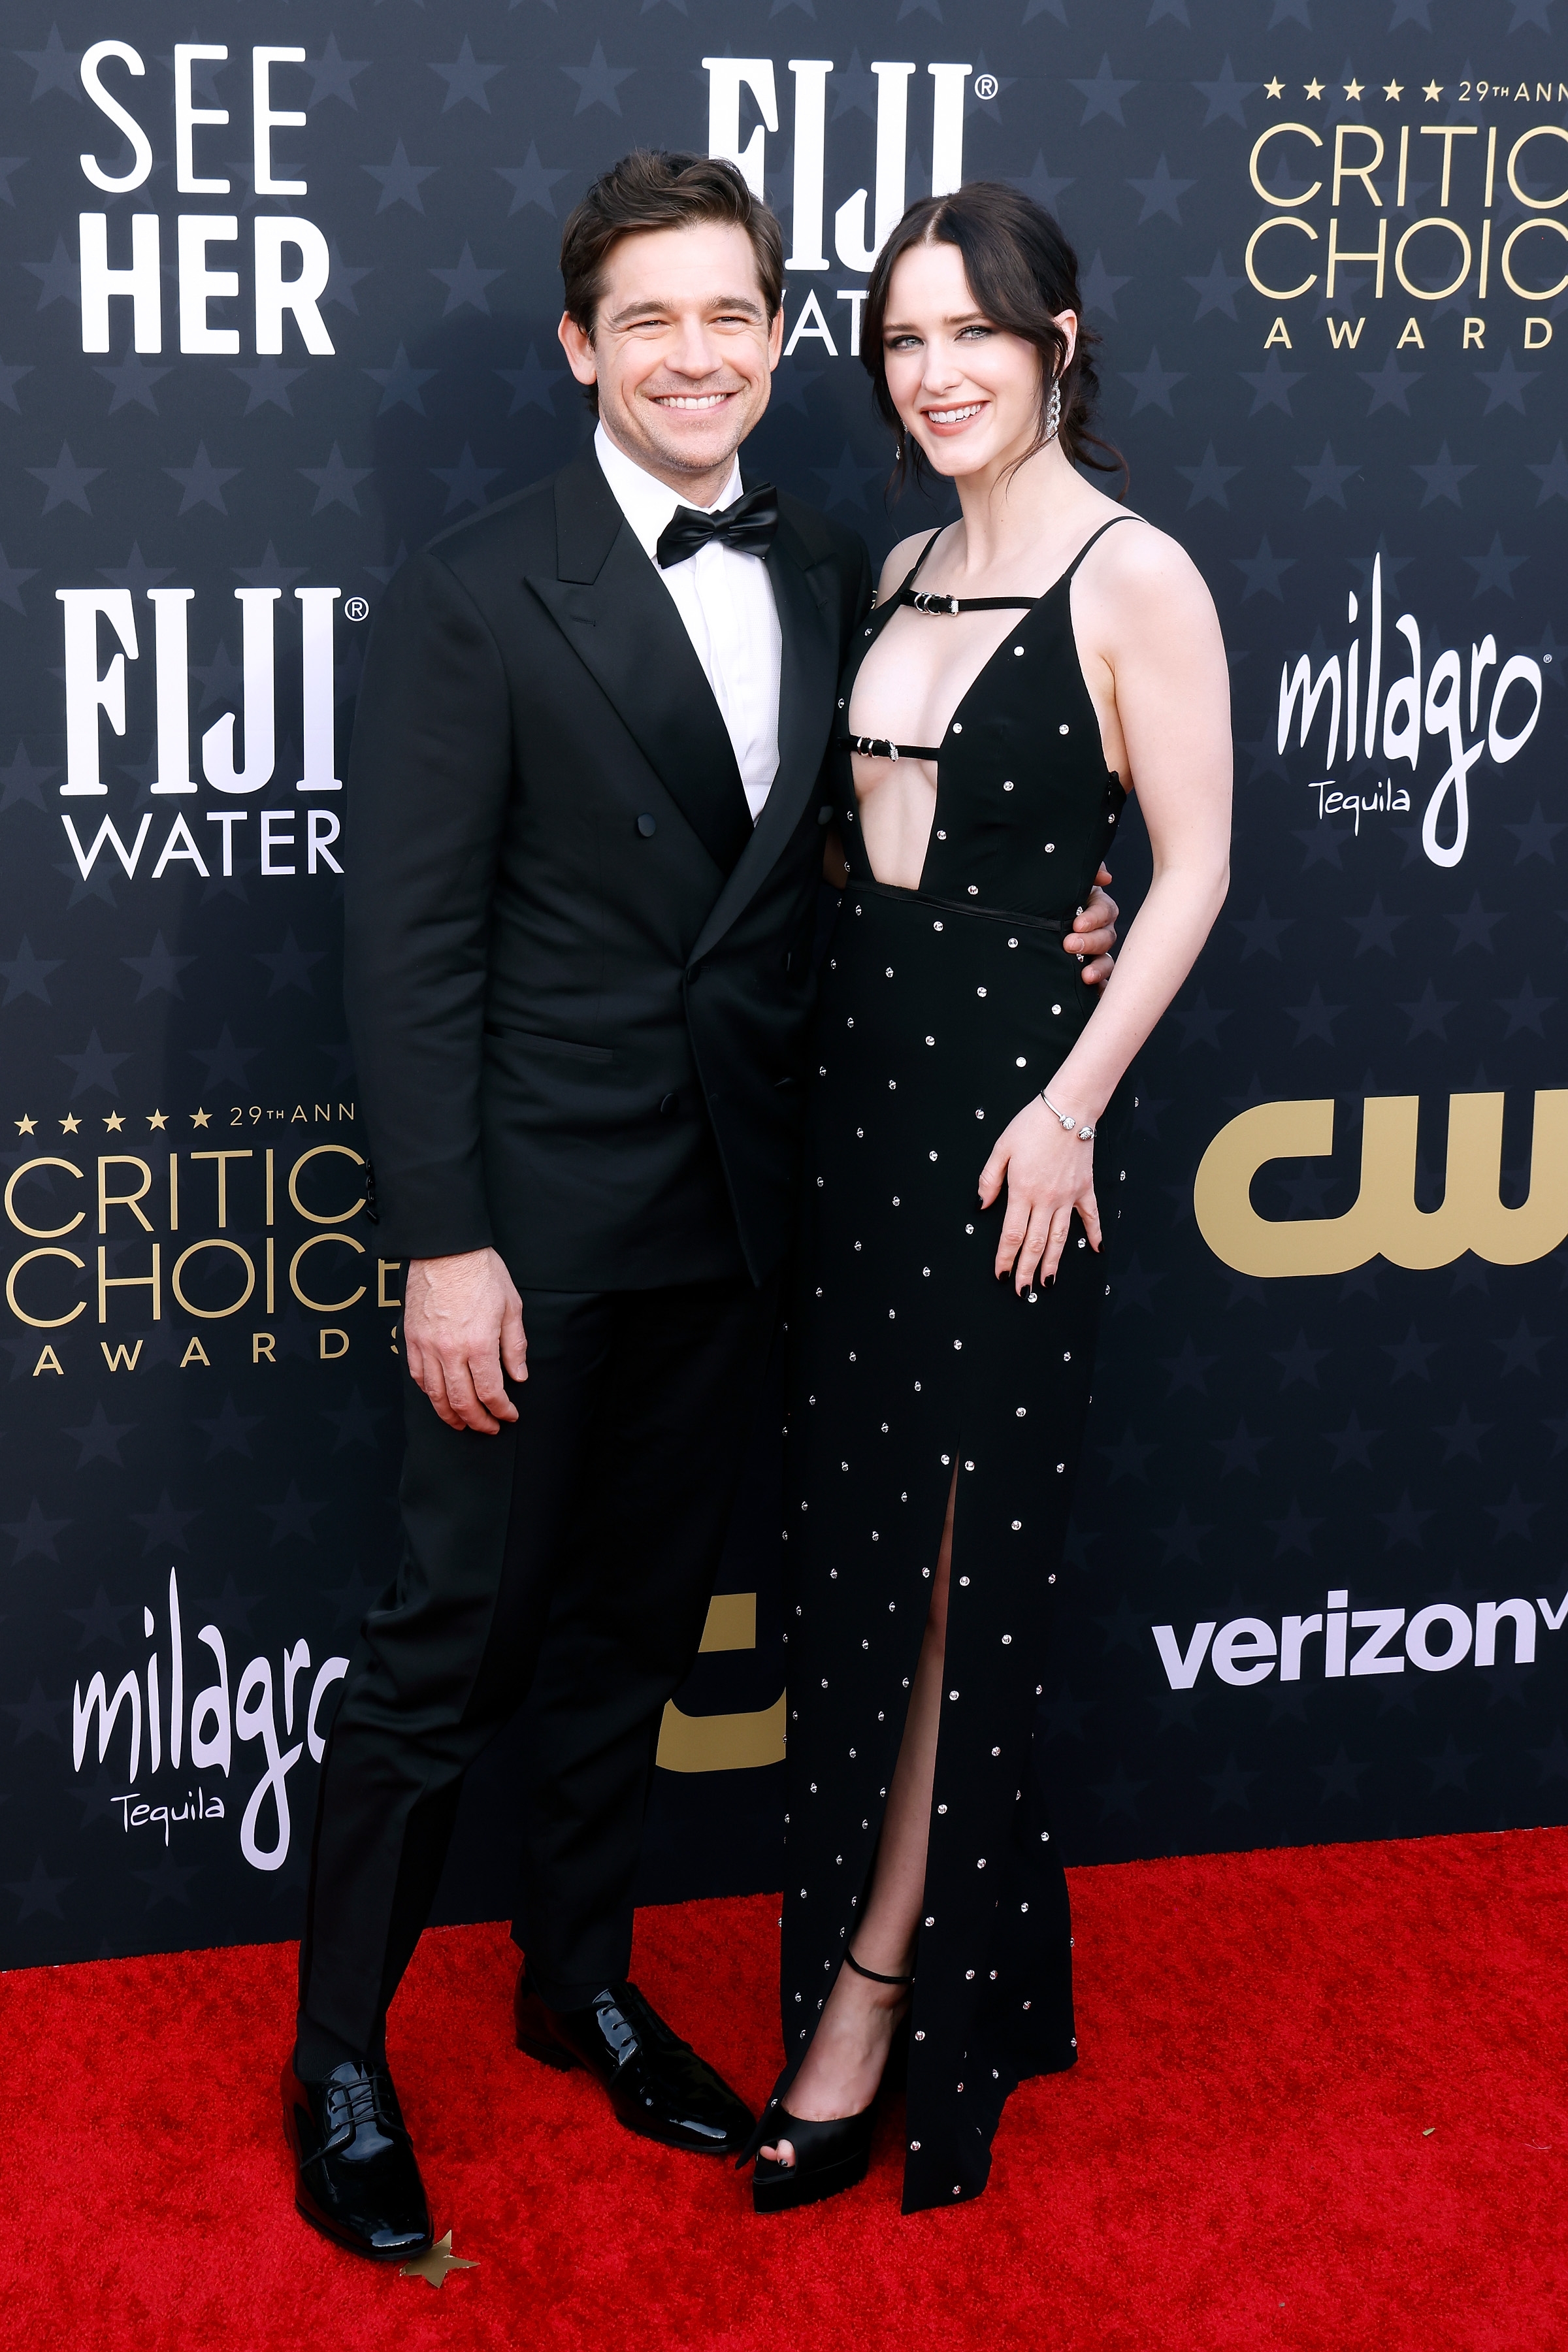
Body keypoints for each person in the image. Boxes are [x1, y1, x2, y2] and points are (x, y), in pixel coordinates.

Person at [280, 145, 1125, 2262]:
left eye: (731, 313)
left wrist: (1067, 910)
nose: (694, 351)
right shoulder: (481, 587)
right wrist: (448, 1244)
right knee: (439, 1658)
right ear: (581, 345)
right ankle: (339, 2058)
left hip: (753, 1223)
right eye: (647, 316)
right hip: (533, 1233)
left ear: (774, 338)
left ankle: (576, 1985)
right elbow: (406, 953)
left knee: (631, 1648)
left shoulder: (844, 564)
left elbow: (887, 843)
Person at [744, 184, 1233, 2216]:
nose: (938, 374)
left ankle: (878, 1998)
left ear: (1061, 343)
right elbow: (873, 854)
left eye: (978, 334)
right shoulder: (902, 561)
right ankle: (911, 1954)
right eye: (905, 342)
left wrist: (1072, 1102)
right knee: (858, 1554)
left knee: (961, 1568)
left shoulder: (1143, 579)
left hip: (1010, 1144)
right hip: (856, 1114)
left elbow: (1193, 869)